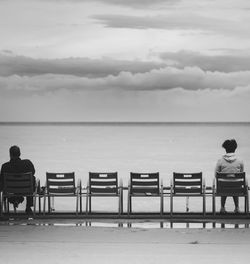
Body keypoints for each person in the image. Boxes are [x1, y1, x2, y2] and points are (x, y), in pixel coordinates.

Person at [0, 145, 36, 214]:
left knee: (4, 183)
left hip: (10, 190)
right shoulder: (27, 163)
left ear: (10, 154)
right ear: (20, 154)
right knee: (32, 179)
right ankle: (28, 207)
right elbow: (33, 172)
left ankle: (14, 199)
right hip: (26, 190)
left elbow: (1, 179)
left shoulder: (5, 166)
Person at [215, 139, 244, 214]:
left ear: (225, 149)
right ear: (235, 148)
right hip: (237, 188)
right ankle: (237, 208)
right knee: (234, 183)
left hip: (223, 188)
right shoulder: (240, 161)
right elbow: (241, 174)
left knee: (224, 183)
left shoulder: (220, 161)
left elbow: (216, 174)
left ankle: (222, 207)